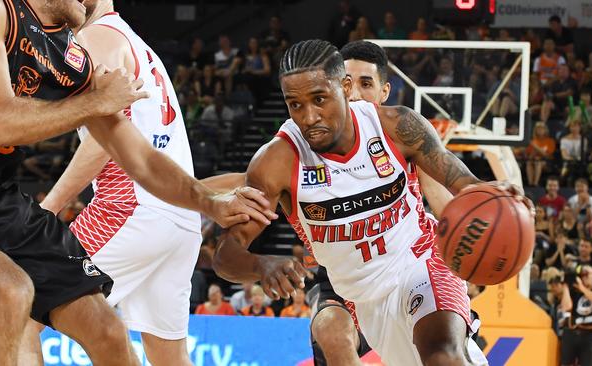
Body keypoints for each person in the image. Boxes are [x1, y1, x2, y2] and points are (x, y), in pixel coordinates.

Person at [212, 39, 527, 366]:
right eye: (295, 104)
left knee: (443, 354)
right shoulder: (277, 162)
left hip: (419, 258)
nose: (309, 117)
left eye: (319, 99)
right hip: (364, 298)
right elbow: (225, 253)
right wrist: (259, 265)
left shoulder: (397, 126)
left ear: (345, 87)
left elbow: (466, 184)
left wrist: (498, 195)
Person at [12, 1, 277, 365]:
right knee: (169, 356)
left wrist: (47, 208)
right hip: (179, 221)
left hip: (128, 208)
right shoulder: (138, 44)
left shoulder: (94, 37)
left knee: (21, 312)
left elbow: (101, 144)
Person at [0, 0, 146, 364]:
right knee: (10, 292)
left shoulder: (73, 58)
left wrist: (206, 199)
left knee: (108, 330)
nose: (88, 1)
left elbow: (142, 160)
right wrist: (98, 101)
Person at [561, 265, 592, 366]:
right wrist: (566, 287)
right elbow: (566, 307)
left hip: (588, 334)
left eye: (587, 274)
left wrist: (582, 288)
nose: (585, 277)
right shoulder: (574, 291)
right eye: (582, 275)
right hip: (571, 333)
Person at [525, 122, 556, 186]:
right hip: (533, 160)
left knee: (538, 161)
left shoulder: (550, 141)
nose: (540, 130)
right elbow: (530, 156)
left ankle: (536, 183)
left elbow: (547, 155)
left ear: (545, 130)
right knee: (529, 162)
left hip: (547, 162)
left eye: (542, 129)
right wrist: (535, 152)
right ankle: (530, 183)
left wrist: (536, 147)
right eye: (538, 129)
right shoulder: (533, 141)